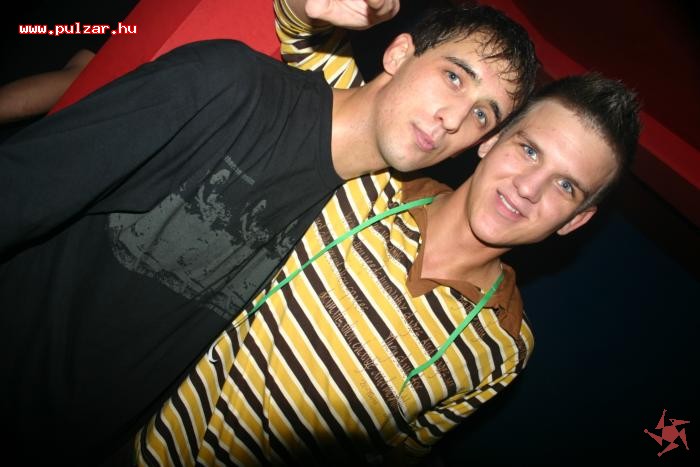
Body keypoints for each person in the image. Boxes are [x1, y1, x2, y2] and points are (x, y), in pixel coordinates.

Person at [0, 0, 537, 464]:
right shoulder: (230, 85)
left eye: (482, 116)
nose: (453, 119)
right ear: (398, 55)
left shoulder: (361, 219)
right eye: (454, 77)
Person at [136, 73, 641, 466]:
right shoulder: (368, 183)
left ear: (576, 220)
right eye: (528, 150)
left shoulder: (505, 348)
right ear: (491, 140)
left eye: (565, 186)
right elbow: (304, 45)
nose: (528, 188)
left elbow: (398, 454)